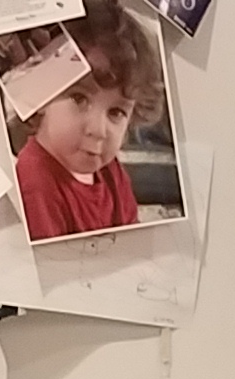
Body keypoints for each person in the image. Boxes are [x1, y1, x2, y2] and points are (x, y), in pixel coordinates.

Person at [12, 8, 158, 240]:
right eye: (79, 98)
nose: (98, 131)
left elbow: (133, 243)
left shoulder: (111, 171)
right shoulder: (35, 182)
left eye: (116, 112)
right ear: (41, 94)